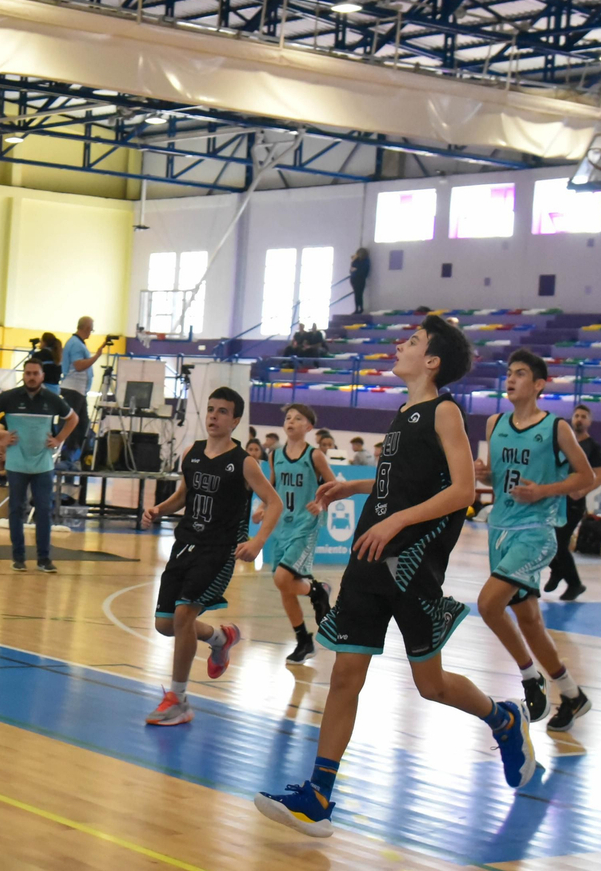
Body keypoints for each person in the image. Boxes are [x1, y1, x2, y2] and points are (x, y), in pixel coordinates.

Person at [255, 315, 535, 839]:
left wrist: (398, 520)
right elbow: (401, 482)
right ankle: (319, 796)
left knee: (431, 685)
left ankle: (503, 718)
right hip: (370, 554)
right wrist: (354, 486)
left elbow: (462, 491)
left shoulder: (445, 411)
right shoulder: (405, 411)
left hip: (410, 562)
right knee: (345, 675)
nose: (401, 345)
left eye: (413, 341)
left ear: (432, 361)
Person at [140, 387, 281, 725]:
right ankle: (221, 638)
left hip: (219, 551)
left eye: (222, 411)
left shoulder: (244, 463)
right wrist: (159, 509)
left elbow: (274, 503)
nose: (214, 416)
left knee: (183, 616)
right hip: (185, 545)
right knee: (165, 624)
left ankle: (178, 700)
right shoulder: (192, 452)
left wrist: (258, 541)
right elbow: (183, 495)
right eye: (211, 409)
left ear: (235, 420)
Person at [473, 348, 596, 733]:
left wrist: (544, 490)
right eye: (509, 372)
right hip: (500, 530)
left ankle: (530, 677)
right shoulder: (494, 424)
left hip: (536, 531)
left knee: (488, 604)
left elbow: (586, 477)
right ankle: (572, 694)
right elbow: (498, 478)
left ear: (539, 384)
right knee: (529, 621)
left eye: (521, 373)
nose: (511, 379)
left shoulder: (557, 428)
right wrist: (484, 475)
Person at [0, 358, 79, 572]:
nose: (31, 377)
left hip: (43, 465)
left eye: (35, 373)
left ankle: (44, 559)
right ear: (23, 375)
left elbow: (73, 419)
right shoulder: (9, 397)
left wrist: (59, 439)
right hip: (16, 464)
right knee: (16, 509)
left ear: (42, 376)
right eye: (28, 373)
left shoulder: (52, 399)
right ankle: (18, 558)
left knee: (43, 510)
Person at [261, 403, 335, 664]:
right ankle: (304, 640)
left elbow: (334, 485)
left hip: (306, 525)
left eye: (298, 418)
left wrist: (321, 502)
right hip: (282, 526)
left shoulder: (315, 456)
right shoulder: (275, 455)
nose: (291, 421)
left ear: (309, 427)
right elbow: (272, 486)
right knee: (285, 587)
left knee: (282, 578)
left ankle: (317, 591)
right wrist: (262, 506)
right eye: (288, 418)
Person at [546, 404, 601, 600]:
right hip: (555, 498)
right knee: (545, 539)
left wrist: (582, 491)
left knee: (560, 542)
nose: (579, 419)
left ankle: (574, 583)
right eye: (577, 415)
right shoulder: (563, 442)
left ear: (589, 421)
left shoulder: (592, 447)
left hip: (573, 503)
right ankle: (557, 569)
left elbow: (600, 476)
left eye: (583, 416)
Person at [60, 316, 106, 460]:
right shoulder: (76, 344)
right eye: (91, 330)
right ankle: (66, 455)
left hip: (78, 391)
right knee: (72, 425)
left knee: (83, 425)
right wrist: (96, 356)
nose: (91, 332)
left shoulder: (77, 343)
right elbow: (79, 366)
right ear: (86, 328)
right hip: (73, 390)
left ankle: (80, 456)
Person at [349, 247, 370, 314]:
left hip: (360, 279)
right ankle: (358, 308)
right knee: (357, 294)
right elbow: (351, 269)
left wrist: (356, 269)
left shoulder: (365, 261)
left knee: (359, 294)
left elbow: (362, 270)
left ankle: (360, 308)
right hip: (355, 279)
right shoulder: (356, 260)